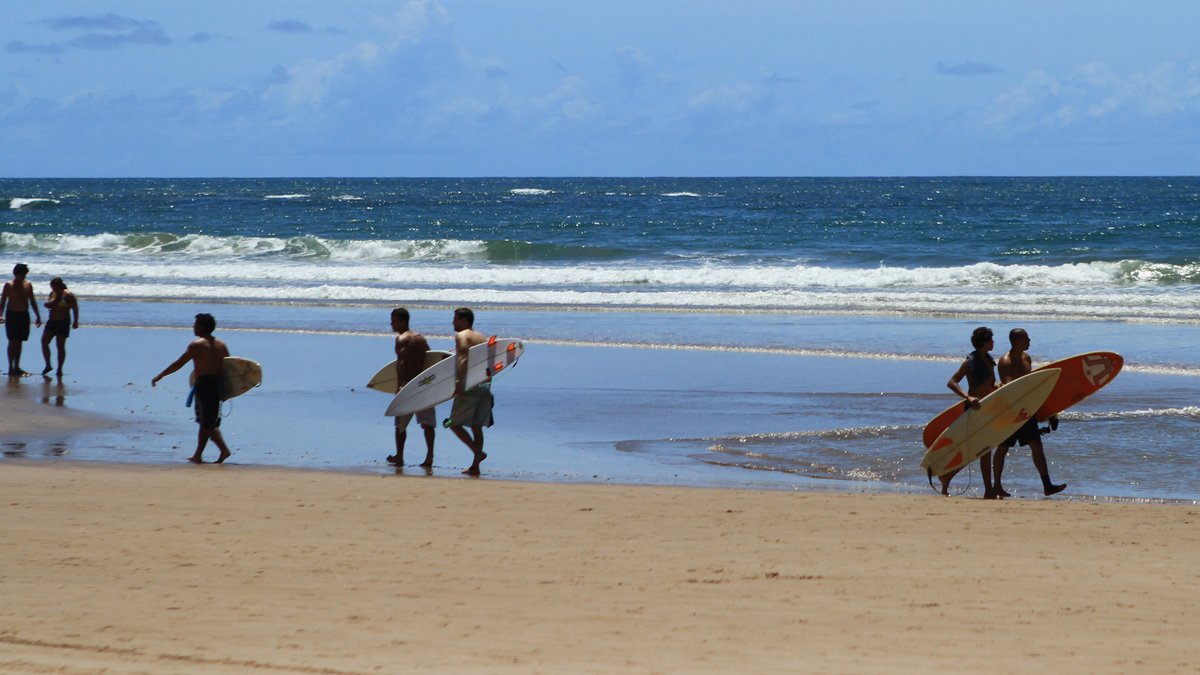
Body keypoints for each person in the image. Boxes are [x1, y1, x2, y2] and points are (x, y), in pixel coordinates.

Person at [993, 328, 1067, 497]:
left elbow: (1032, 386)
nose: (1030, 341)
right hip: (1011, 411)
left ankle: (1047, 485)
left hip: (1027, 410)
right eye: (1026, 338)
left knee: (1037, 446)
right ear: (1017, 341)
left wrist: (1049, 413)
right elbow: (1010, 387)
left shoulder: (1026, 358)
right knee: (1003, 447)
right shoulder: (1005, 361)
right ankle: (996, 485)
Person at [151, 313, 233, 464]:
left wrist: (161, 375)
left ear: (203, 326)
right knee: (209, 421)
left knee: (206, 422)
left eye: (196, 324)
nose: (193, 327)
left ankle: (198, 455)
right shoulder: (221, 345)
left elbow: (179, 363)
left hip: (204, 385)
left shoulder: (197, 345)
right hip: (217, 385)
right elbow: (229, 368)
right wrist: (228, 390)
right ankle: (223, 450)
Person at [940, 326, 1000, 498]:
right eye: (991, 340)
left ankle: (947, 478)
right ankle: (986, 489)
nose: (993, 342)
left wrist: (999, 387)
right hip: (974, 409)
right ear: (984, 342)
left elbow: (990, 383)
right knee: (980, 449)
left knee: (983, 449)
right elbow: (952, 382)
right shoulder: (970, 361)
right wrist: (968, 397)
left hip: (987, 407)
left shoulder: (989, 360)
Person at [386, 307, 437, 469]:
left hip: (408, 385)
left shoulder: (401, 338)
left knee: (400, 424)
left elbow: (401, 363)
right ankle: (430, 456)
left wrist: (399, 386)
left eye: (393, 320)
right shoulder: (420, 338)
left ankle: (399, 456)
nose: (391, 324)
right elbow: (430, 358)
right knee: (427, 424)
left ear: (401, 321)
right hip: (423, 384)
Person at [446, 307, 493, 475]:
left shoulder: (461, 335)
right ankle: (475, 466)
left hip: (469, 386)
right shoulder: (481, 337)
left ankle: (478, 453)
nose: (452, 322)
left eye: (455, 319)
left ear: (464, 321)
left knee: (454, 424)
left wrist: (459, 384)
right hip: (484, 386)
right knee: (476, 426)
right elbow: (489, 362)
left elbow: (463, 358)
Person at [1, 263, 43, 377]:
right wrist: (0, 315)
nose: (23, 277)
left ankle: (17, 367)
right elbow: (3, 301)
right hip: (12, 315)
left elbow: (32, 301)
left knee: (19, 342)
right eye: (21, 274)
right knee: (12, 341)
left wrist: (38, 316)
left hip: (24, 315)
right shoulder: (8, 285)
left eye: (25, 275)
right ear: (16, 274)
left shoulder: (28, 285)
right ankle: (11, 367)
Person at [40, 277, 80, 377]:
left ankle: (60, 368)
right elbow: (50, 305)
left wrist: (75, 321)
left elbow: (75, 308)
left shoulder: (68, 294)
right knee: (44, 341)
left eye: (54, 287)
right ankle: (48, 364)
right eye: (52, 287)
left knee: (60, 346)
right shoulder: (52, 293)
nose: (53, 288)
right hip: (52, 321)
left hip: (63, 321)